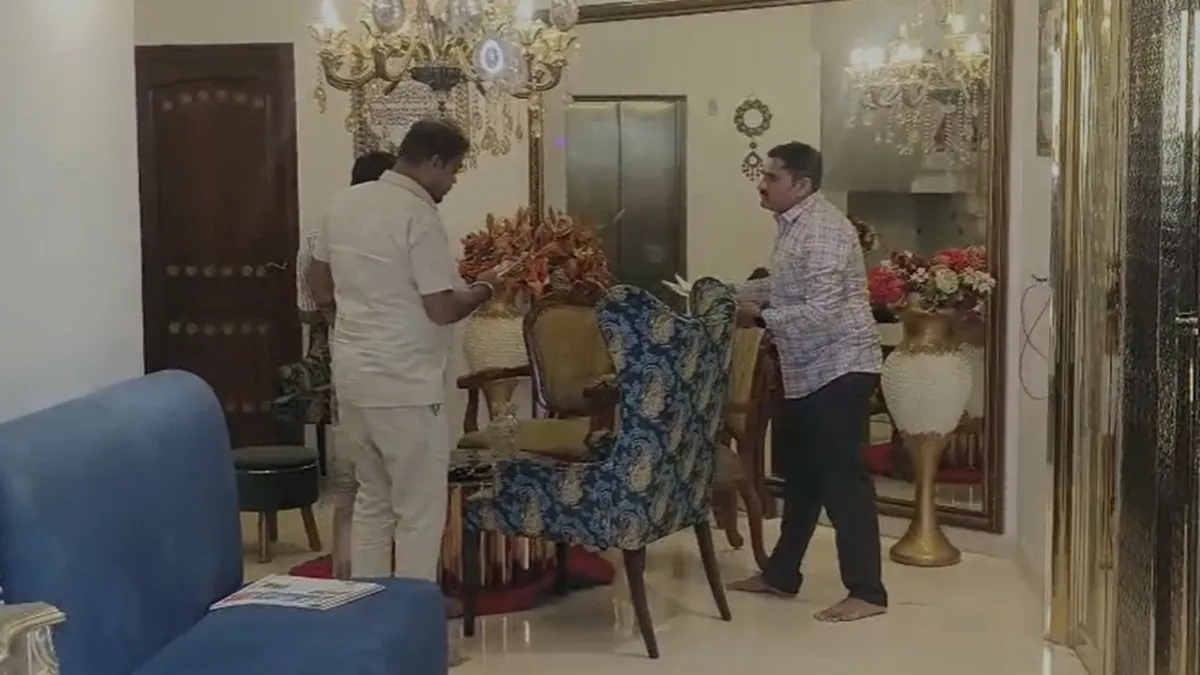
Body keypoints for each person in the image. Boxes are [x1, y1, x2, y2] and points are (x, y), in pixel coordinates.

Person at [307, 120, 511, 583]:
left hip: (354, 381)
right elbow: (441, 308)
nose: (453, 182)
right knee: (419, 513)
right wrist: (485, 288)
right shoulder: (418, 215)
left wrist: (347, 322)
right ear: (435, 162)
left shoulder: (343, 203)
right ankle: (413, 619)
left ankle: (371, 612)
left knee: (373, 502)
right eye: (454, 170)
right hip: (406, 387)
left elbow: (317, 279)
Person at [727, 141, 887, 623]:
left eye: (771, 177)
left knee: (842, 482)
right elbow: (785, 287)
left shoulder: (823, 231)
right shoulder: (795, 226)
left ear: (801, 185)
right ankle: (781, 574)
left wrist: (758, 317)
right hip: (807, 373)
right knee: (801, 479)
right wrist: (725, 292)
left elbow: (819, 313)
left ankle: (867, 592)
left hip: (839, 368)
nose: (762, 184)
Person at [292, 150, 396, 580]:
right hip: (393, 367)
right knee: (391, 480)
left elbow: (304, 310)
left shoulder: (321, 231)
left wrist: (335, 313)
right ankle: (389, 573)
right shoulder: (400, 229)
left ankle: (345, 570)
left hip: (347, 365)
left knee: (351, 482)